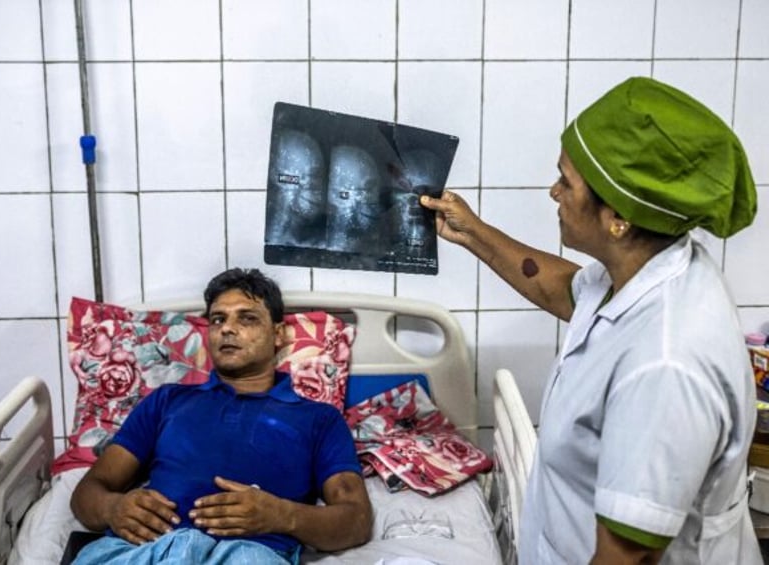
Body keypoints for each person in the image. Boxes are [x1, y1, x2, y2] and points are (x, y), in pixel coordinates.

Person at [420, 77, 761, 564]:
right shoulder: (641, 267)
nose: (553, 191)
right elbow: (567, 290)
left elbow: (628, 556)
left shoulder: (666, 365)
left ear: (618, 217)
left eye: (567, 181)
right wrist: (472, 231)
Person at [70, 268, 372, 564]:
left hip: (249, 553)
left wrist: (282, 515)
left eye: (247, 318)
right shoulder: (167, 401)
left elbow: (355, 520)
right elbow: (88, 491)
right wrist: (113, 508)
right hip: (148, 548)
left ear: (278, 334)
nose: (227, 328)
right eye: (218, 319)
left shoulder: (318, 419)